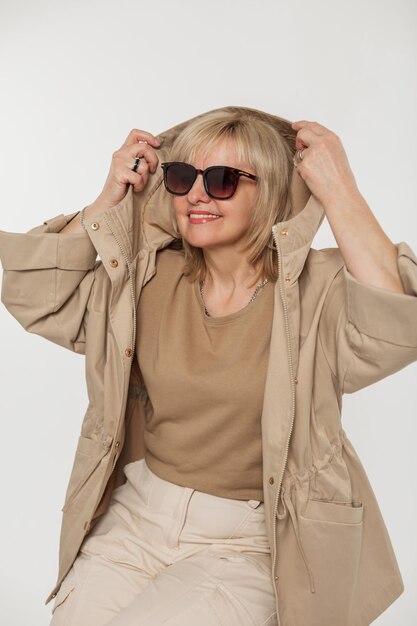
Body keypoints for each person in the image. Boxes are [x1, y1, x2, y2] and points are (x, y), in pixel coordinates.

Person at [0, 105, 416, 626]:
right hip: (138, 515)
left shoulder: (315, 291)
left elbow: (398, 329)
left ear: (266, 193)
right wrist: (107, 199)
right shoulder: (147, 277)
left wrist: (340, 191)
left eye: (222, 180)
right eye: (182, 177)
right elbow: (36, 297)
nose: (196, 193)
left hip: (247, 541)